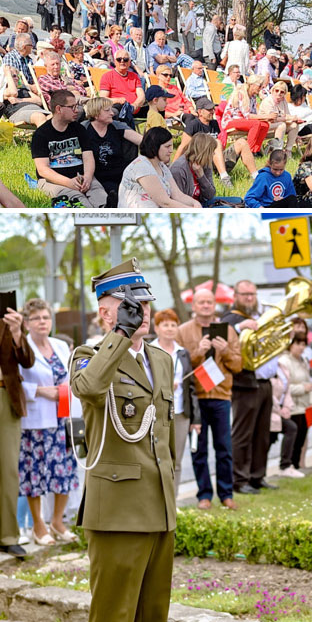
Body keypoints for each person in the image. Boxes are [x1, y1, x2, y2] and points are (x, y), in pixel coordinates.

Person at [69, 260, 176, 622]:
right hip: (118, 510)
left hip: (159, 506)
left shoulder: (161, 360)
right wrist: (119, 335)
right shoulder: (87, 357)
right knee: (114, 614)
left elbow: (165, 432)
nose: (140, 311)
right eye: (129, 304)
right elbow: (90, 389)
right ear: (104, 312)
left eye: (144, 303)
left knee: (153, 613)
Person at [18, 300, 78, 545]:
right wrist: (41, 391)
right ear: (26, 323)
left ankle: (57, 521)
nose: (43, 322)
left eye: (46, 317)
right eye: (37, 318)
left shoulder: (61, 345)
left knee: (64, 470)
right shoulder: (22, 347)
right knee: (35, 474)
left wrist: (66, 388)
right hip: (36, 420)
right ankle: (38, 526)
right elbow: (14, 382)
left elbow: (73, 373)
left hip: (63, 416)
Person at [180, 286, 241, 510]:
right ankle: (204, 495)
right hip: (196, 398)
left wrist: (224, 350)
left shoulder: (228, 330)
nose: (206, 305)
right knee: (199, 449)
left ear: (214, 305)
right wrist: (197, 351)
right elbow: (181, 366)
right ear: (193, 306)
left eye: (209, 302)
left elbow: (238, 365)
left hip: (221, 396)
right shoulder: (183, 331)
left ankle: (226, 494)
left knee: (224, 447)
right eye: (201, 302)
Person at [222, 280, 274, 496]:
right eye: (245, 294)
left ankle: (257, 476)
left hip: (264, 383)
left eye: (252, 294)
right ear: (235, 295)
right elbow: (220, 336)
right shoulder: (231, 318)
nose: (249, 298)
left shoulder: (256, 317)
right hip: (244, 384)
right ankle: (239, 479)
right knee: (243, 434)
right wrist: (239, 328)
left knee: (262, 434)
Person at [149, 309, 199, 496]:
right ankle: (155, 498)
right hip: (156, 413)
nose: (170, 329)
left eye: (173, 325)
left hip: (180, 413)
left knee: (175, 459)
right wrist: (164, 385)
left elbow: (191, 387)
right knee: (156, 458)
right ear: (157, 328)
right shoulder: (149, 351)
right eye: (165, 325)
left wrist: (196, 419)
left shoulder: (183, 353)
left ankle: (173, 499)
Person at [32, 89, 107, 207]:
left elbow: (88, 157)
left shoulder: (79, 129)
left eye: (76, 106)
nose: (77, 110)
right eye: (72, 107)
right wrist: (68, 182)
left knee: (103, 200)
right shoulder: (41, 134)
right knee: (81, 203)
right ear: (58, 109)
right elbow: (43, 170)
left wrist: (87, 177)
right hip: (54, 181)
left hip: (81, 177)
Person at [0, 303, 32, 557]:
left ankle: (8, 535)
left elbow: (27, 361)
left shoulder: (7, 320)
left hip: (4, 397)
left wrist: (18, 332)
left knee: (8, 469)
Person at [83, 96, 143, 208]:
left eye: (111, 109)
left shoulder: (117, 126)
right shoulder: (84, 129)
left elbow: (143, 141)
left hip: (121, 173)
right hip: (98, 177)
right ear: (95, 114)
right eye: (107, 110)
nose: (112, 113)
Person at [119, 127, 201, 208]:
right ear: (154, 147)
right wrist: (191, 210)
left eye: (171, 146)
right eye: (167, 146)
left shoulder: (162, 167)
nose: (171, 150)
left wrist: (194, 203)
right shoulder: (141, 166)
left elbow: (178, 195)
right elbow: (164, 202)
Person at [276, 333, 312, 477]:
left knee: (301, 438)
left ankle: (295, 465)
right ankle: (286, 465)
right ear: (290, 344)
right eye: (297, 344)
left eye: (303, 344)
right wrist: (303, 388)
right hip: (292, 407)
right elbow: (283, 387)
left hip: (305, 406)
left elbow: (308, 382)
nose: (301, 347)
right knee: (292, 434)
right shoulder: (284, 361)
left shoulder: (304, 360)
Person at [170, 130, 241, 208]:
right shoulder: (179, 169)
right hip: (190, 207)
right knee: (227, 209)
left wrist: (201, 176)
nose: (214, 154)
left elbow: (210, 195)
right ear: (204, 152)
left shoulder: (205, 164)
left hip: (202, 202)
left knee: (239, 200)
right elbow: (177, 199)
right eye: (212, 151)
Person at [97, 44, 147, 123]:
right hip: (118, 109)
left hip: (134, 108)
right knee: (119, 109)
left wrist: (135, 105)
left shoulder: (134, 76)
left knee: (157, 107)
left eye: (125, 59)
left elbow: (141, 96)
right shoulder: (107, 76)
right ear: (115, 61)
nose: (122, 61)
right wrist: (118, 100)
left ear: (129, 62)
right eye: (119, 59)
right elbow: (103, 98)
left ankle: (158, 133)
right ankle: (127, 133)